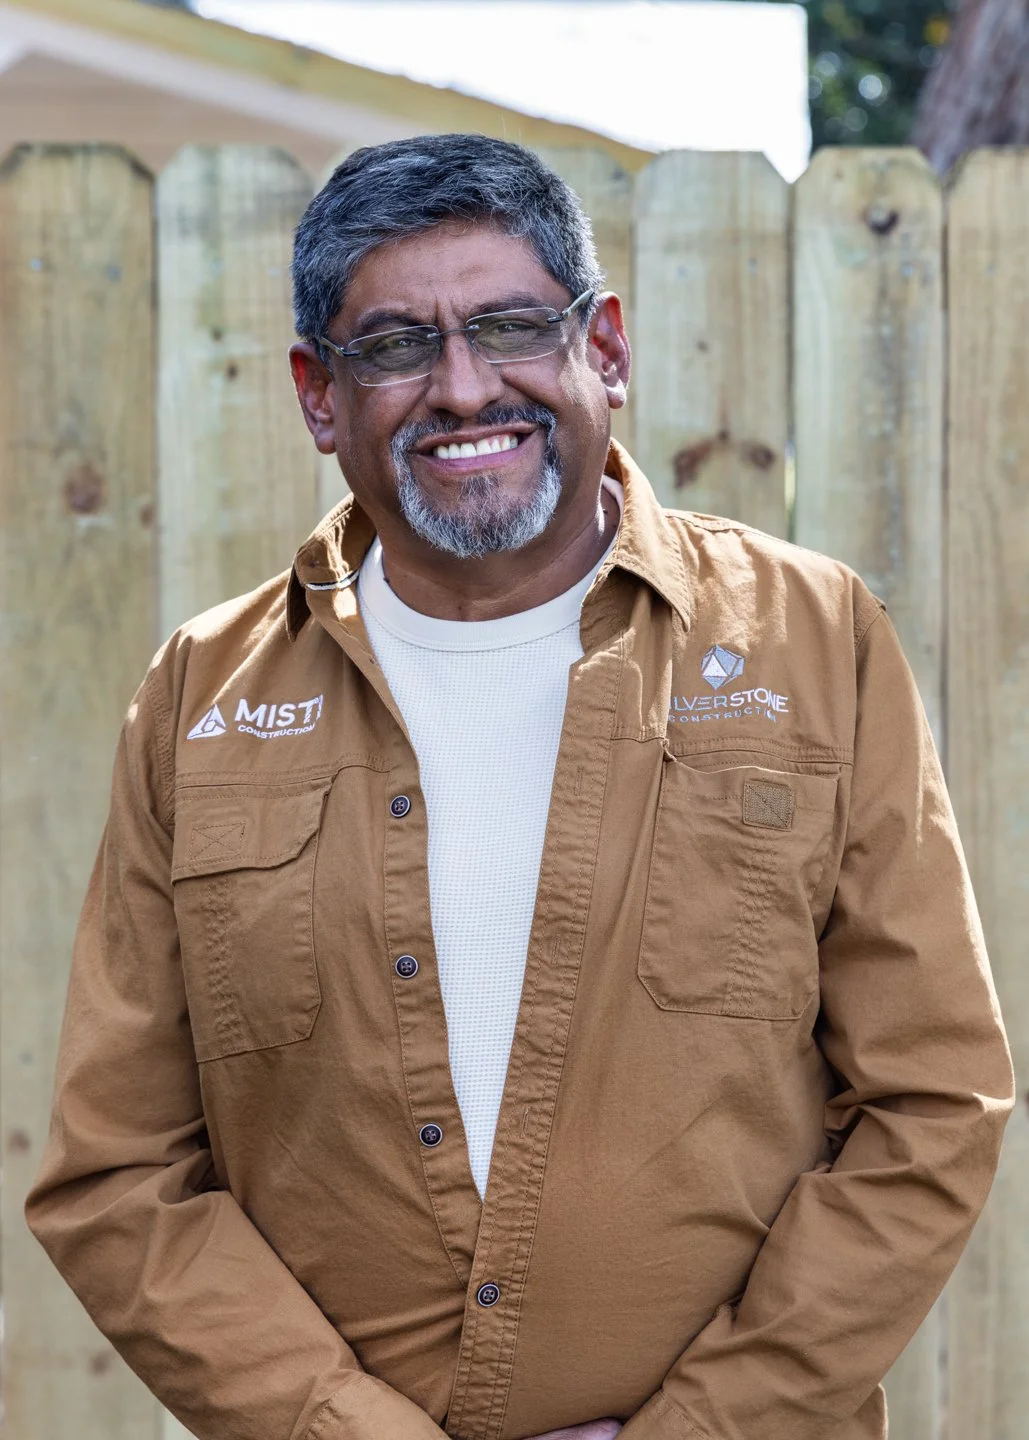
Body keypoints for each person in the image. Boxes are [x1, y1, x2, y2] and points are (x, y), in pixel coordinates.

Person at [27, 133, 1012, 1440]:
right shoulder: (202, 702)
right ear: (321, 396)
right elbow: (117, 1182)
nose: (463, 385)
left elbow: (929, 1108)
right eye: (395, 347)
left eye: (509, 327)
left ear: (603, 347)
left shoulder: (813, 642)